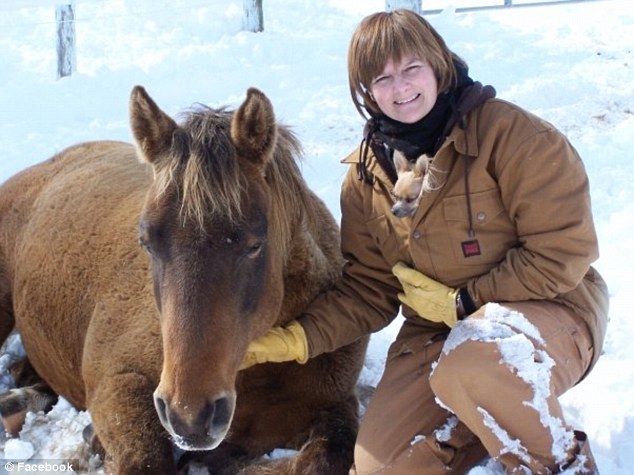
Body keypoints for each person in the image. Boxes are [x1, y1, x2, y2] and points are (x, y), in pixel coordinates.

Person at [241, 9, 609, 474]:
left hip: (551, 310)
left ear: (437, 65)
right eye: (382, 78)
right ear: (366, 92)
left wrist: (466, 300)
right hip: (438, 331)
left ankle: (562, 463)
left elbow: (562, 255)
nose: (400, 89)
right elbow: (369, 289)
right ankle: (487, 415)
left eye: (411, 69)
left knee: (475, 365)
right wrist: (296, 339)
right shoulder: (364, 177)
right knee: (383, 466)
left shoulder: (515, 138)